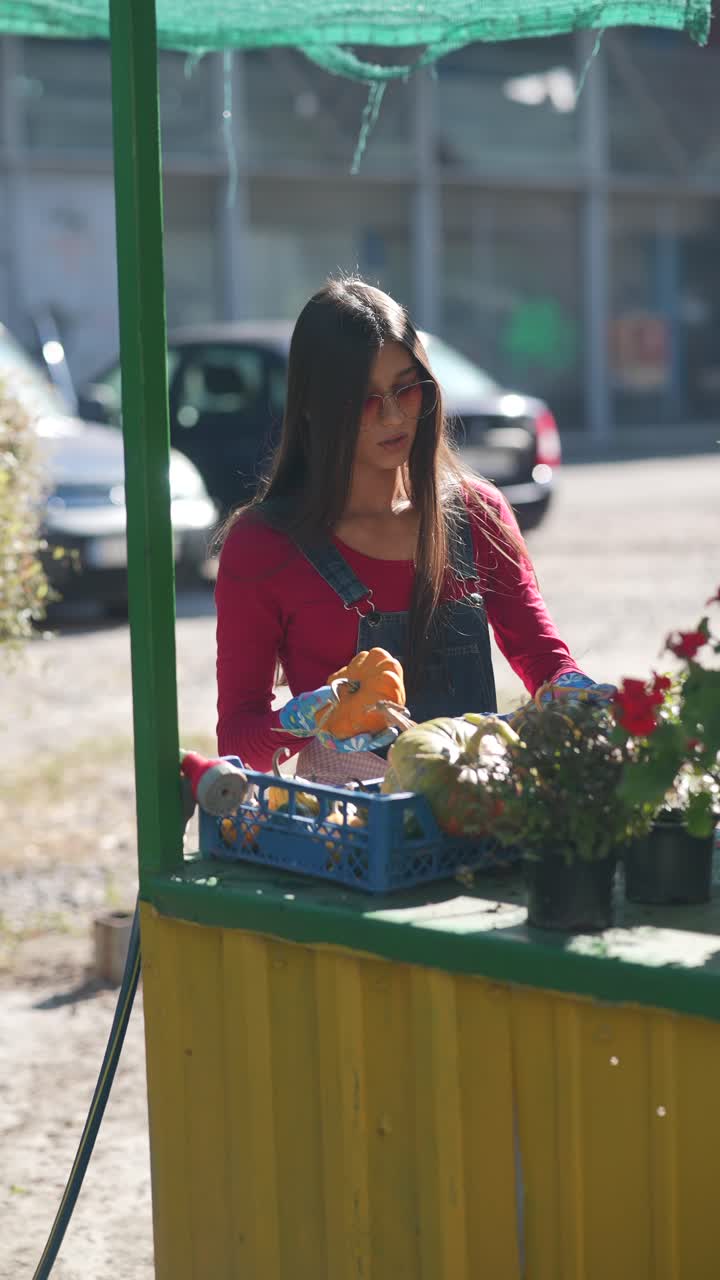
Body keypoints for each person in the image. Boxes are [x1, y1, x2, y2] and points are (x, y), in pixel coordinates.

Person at [215, 277, 601, 780]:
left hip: (476, 800)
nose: (395, 416)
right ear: (313, 407)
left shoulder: (477, 514)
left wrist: (578, 692)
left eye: (406, 388)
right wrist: (303, 717)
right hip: (352, 829)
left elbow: (546, 662)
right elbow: (239, 740)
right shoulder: (262, 546)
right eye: (367, 399)